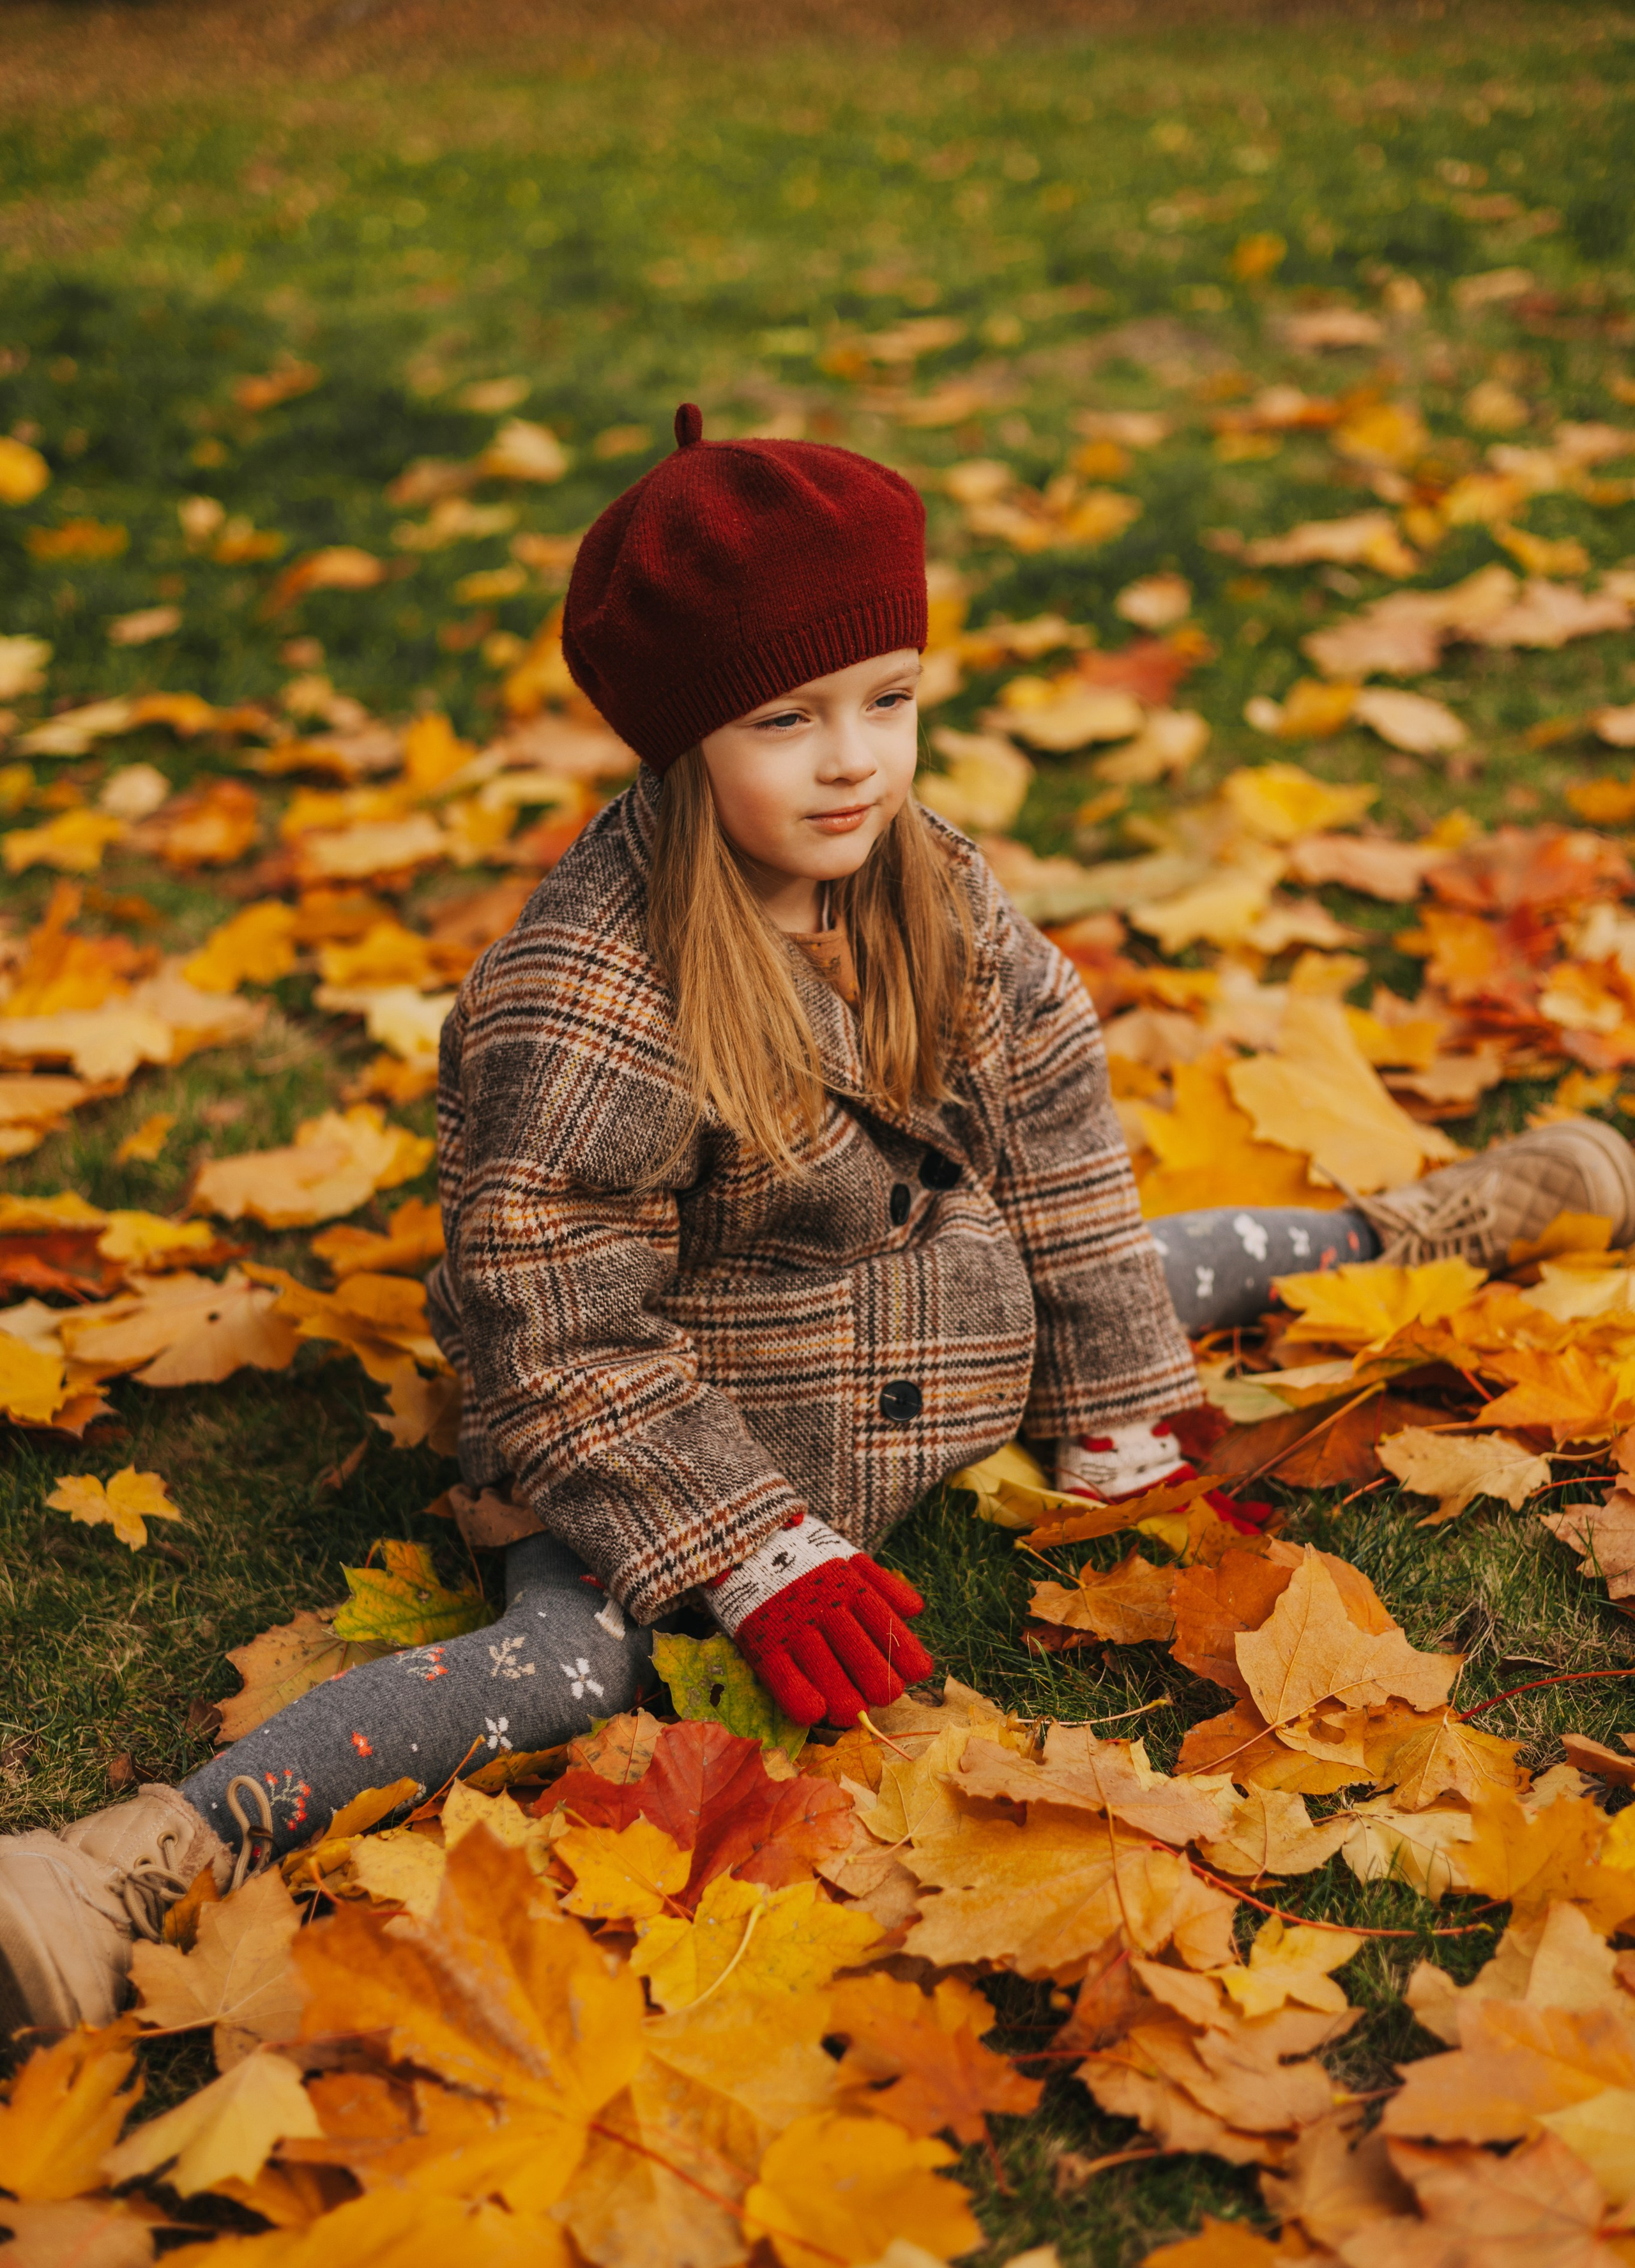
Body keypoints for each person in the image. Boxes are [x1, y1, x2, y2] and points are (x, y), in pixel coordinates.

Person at [4, 406, 1632, 2036]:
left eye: (889, 701)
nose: (853, 758)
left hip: (946, 1323)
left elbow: (1054, 1125)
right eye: (785, 718)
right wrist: (748, 1545)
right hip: (672, 1436)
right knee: (571, 1671)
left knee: (1156, 1263)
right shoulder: (591, 1000)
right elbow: (551, 1322)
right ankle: (133, 1859)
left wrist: (1115, 1386)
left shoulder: (922, 875)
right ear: (680, 736)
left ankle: (1431, 1219)